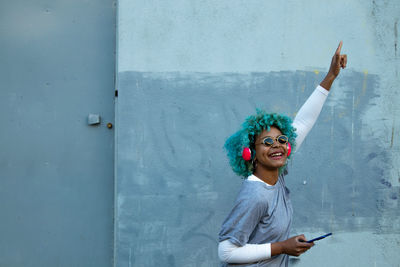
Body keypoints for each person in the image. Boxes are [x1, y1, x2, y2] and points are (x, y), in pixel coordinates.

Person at [218, 42, 347, 266]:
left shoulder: (275, 176)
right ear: (251, 153)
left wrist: (331, 76)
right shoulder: (255, 195)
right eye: (267, 142)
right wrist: (282, 247)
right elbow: (226, 252)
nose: (276, 145)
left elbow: (304, 121)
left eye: (281, 140)